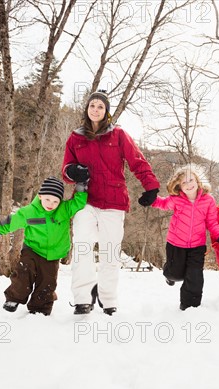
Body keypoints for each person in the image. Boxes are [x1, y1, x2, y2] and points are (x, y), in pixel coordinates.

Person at [62, 90, 160, 315]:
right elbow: (66, 170)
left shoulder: (118, 135)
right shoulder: (75, 138)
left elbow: (137, 161)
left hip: (114, 202)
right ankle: (82, 299)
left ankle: (108, 299)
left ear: (106, 112)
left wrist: (151, 186)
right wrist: (72, 171)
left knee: (110, 252)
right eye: (92, 105)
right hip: (85, 200)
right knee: (83, 247)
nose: (95, 109)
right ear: (86, 109)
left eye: (100, 106)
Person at [0, 176, 88, 316]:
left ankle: (40, 308)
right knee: (23, 273)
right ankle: (13, 298)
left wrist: (81, 185)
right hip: (32, 250)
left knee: (47, 283)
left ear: (60, 201)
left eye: (56, 201)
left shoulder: (64, 209)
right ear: (40, 196)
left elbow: (79, 202)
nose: (51, 204)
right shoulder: (29, 212)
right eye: (47, 199)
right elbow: (11, 222)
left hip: (53, 255)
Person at [150, 164, 219, 310]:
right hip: (175, 243)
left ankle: (189, 306)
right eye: (184, 182)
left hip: (197, 246)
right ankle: (168, 274)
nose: (188, 184)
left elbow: (212, 223)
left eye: (191, 180)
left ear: (197, 181)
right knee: (175, 274)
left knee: (195, 276)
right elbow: (162, 203)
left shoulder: (208, 200)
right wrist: (150, 198)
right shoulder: (176, 199)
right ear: (179, 186)